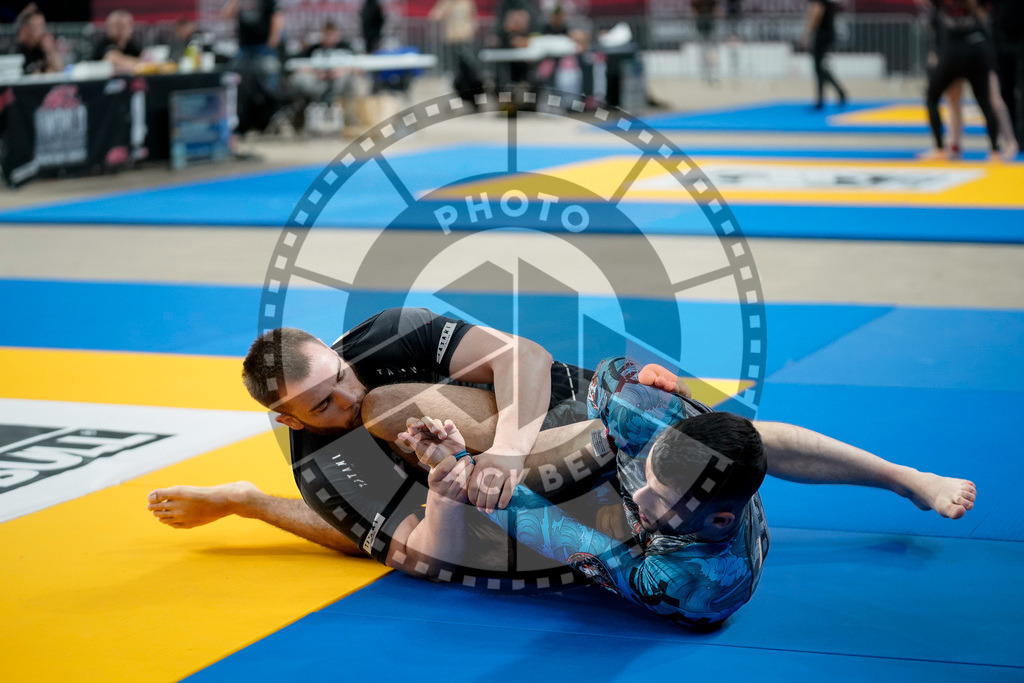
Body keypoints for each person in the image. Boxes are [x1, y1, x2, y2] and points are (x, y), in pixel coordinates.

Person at [149, 309, 976, 586]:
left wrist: (507, 445)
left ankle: (903, 476)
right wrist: (251, 501)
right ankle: (251, 502)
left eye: (336, 371)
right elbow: (402, 550)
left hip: (569, 407)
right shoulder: (324, 461)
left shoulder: (380, 340)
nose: (346, 393)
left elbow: (523, 359)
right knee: (375, 490)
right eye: (321, 401)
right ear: (289, 418)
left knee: (731, 436)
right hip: (502, 501)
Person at [402, 356, 769, 626]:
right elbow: (608, 374)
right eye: (649, 478)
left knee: (502, 546)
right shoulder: (644, 415)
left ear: (719, 520)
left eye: (661, 497)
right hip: (626, 439)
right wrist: (642, 380)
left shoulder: (694, 588)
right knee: (596, 427)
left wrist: (464, 466)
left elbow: (568, 538)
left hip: (655, 546)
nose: (641, 496)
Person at [923, 0, 1008, 159]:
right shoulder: (974, 7)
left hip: (953, 54)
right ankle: (994, 151)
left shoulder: (944, 6)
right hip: (976, 52)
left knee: (933, 98)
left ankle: (941, 148)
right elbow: (985, 26)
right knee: (984, 102)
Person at [222, 0, 284, 133]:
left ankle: (273, 116)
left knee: (269, 76)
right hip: (244, 49)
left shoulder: (268, 2)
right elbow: (226, 15)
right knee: (233, 78)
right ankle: (239, 118)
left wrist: (272, 42)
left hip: (263, 48)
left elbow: (277, 19)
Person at [285, 21, 359, 132]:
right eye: (326, 35)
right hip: (317, 82)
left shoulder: (345, 48)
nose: (329, 38)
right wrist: (316, 72)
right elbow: (296, 65)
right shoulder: (313, 49)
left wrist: (339, 72)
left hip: (339, 82)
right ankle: (300, 117)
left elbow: (358, 66)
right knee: (297, 79)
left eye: (331, 35)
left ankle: (350, 119)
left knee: (351, 80)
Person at [429, 0, 484, 104]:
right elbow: (434, 16)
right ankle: (454, 98)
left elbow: (474, 17)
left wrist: (471, 28)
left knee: (470, 70)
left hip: (467, 40)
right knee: (452, 71)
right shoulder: (447, 3)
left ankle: (472, 97)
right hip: (451, 41)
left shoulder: (467, 2)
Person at [802, 0, 847, 110]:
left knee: (819, 67)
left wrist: (807, 34)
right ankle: (832, 95)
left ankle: (822, 99)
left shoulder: (819, 3)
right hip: (828, 34)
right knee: (820, 67)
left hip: (823, 35)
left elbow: (816, 14)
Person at [11, 4, 62, 75]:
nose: (42, 31)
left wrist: (51, 51)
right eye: (37, 27)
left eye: (42, 26)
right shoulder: (15, 51)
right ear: (25, 29)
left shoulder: (41, 49)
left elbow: (60, 71)